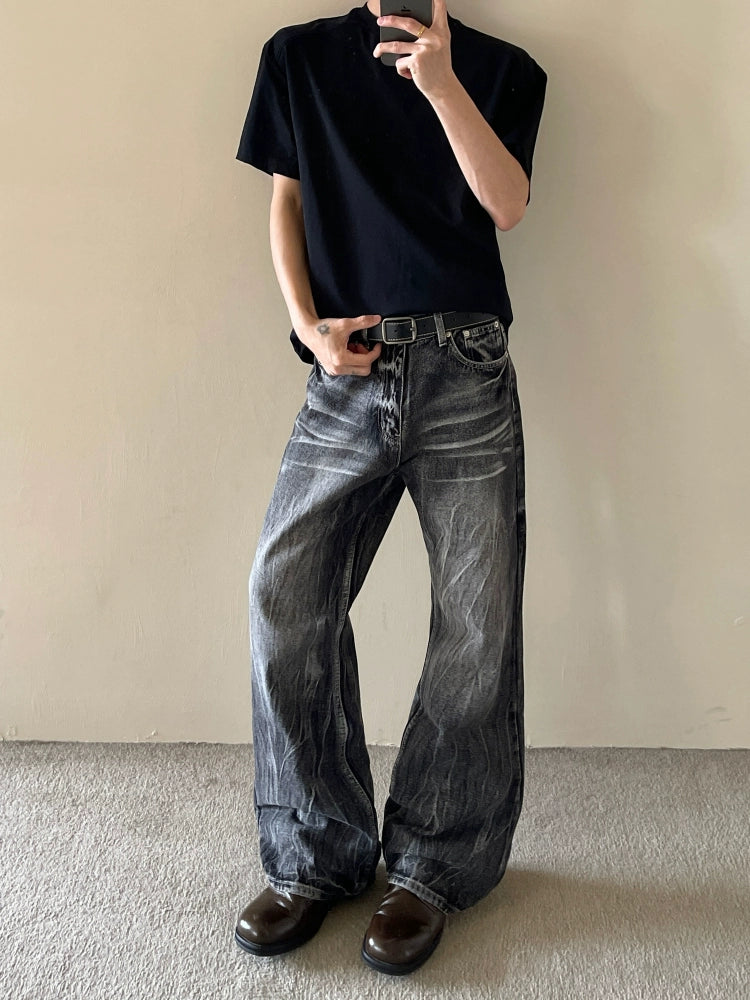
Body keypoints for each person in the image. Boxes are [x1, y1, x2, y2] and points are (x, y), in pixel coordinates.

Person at [233, 0, 546, 976]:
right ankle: (315, 853)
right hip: (347, 372)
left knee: (475, 623)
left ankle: (431, 867)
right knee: (284, 593)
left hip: (465, 366)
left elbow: (506, 204)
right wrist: (308, 329)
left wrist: (442, 85)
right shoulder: (297, 60)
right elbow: (286, 203)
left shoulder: (503, 68)